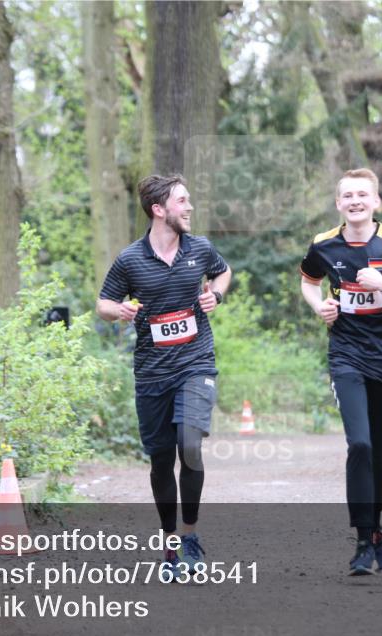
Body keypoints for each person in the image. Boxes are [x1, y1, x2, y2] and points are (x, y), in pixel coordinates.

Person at [96, 174, 232, 578]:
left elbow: (223, 272)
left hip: (196, 363)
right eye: (182, 201)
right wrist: (116, 311)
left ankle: (190, 537)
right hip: (152, 372)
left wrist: (216, 295)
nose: (189, 208)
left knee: (190, 446)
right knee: (160, 461)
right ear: (159, 209)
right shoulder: (130, 259)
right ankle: (170, 542)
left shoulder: (201, 248)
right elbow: (104, 302)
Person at [300, 168, 382, 575]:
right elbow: (308, 281)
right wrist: (318, 305)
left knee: (379, 449)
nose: (355, 201)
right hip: (346, 354)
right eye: (347, 196)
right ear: (338, 204)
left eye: (363, 195)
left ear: (375, 202)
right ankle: (361, 539)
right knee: (359, 445)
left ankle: (376, 531)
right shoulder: (324, 244)